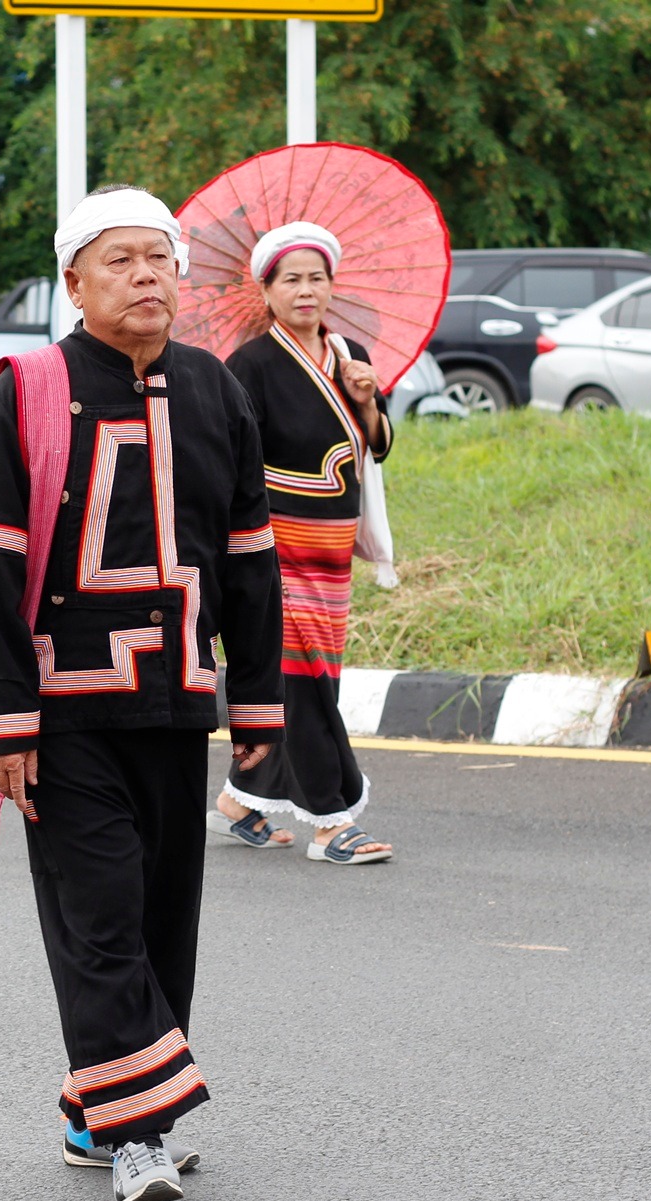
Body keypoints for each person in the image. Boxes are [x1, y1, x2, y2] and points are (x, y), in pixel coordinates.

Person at [0, 185, 286, 1201]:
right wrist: (2, 720)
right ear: (73, 283)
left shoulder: (213, 391)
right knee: (98, 919)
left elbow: (247, 558)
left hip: (176, 702)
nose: (146, 277)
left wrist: (260, 706)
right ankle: (139, 1136)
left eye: (160, 259)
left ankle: (90, 1109)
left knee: (158, 922)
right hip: (61, 715)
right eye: (120, 261)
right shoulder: (25, 389)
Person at [208, 222, 393, 866]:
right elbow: (235, 457)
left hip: (333, 546)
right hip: (278, 546)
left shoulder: (348, 353)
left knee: (310, 674)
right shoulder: (249, 364)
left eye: (317, 278)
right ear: (267, 291)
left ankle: (242, 799)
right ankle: (330, 821)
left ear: (333, 286)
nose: (306, 290)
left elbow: (375, 444)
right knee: (307, 677)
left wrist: (367, 403)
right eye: (292, 279)